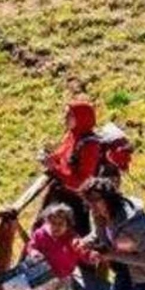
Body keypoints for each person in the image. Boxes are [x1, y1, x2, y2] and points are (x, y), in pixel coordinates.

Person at [5, 203, 92, 290]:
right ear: (47, 222)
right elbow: (31, 245)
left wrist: (90, 257)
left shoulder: (72, 238)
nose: (56, 227)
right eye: (52, 223)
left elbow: (82, 252)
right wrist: (34, 252)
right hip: (43, 276)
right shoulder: (41, 234)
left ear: (68, 224)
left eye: (60, 223)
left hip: (63, 277)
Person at [38, 98, 102, 232]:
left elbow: (81, 181)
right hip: (59, 193)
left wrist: (54, 168)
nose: (65, 118)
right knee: (43, 233)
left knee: (71, 239)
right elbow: (61, 156)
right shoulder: (72, 135)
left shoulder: (90, 146)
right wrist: (49, 158)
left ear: (81, 118)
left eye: (69, 115)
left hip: (73, 202)